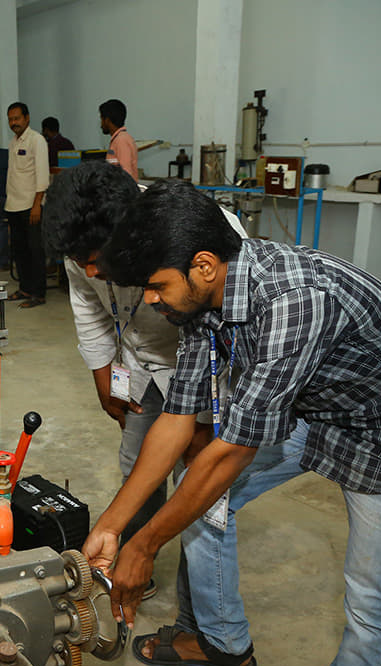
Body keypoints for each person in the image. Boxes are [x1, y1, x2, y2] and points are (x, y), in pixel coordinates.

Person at [83, 180, 381, 666]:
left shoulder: (294, 301)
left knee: (372, 611)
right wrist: (113, 524)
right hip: (315, 409)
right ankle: (223, 644)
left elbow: (233, 452)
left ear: (203, 265)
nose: (149, 299)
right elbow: (175, 421)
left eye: (154, 285)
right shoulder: (200, 299)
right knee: (201, 493)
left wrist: (144, 546)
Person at [43, 162, 245, 598]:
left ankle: (203, 609)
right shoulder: (85, 236)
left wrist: (209, 411)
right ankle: (133, 565)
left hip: (202, 367)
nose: (90, 272)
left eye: (96, 261)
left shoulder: (202, 229)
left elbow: (233, 329)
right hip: (137, 366)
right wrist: (104, 378)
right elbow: (89, 308)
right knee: (137, 466)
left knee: (201, 482)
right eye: (80, 262)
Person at [4, 102, 49, 308]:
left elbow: (42, 175)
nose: (14, 123)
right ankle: (25, 288)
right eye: (11, 119)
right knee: (20, 251)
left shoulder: (36, 140)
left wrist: (37, 205)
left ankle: (38, 294)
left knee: (35, 250)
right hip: (13, 205)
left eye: (17, 118)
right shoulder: (13, 142)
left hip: (31, 206)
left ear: (27, 118)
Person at [99, 99, 138, 181]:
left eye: (101, 119)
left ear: (107, 120)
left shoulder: (121, 140)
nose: (101, 125)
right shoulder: (119, 138)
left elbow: (126, 174)